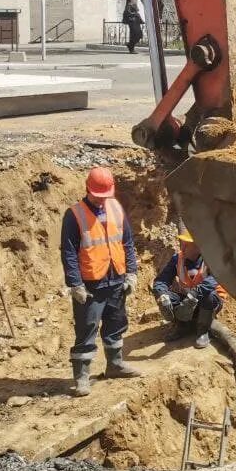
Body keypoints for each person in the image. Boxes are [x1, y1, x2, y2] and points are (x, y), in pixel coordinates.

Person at [60, 166, 140, 396]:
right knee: (87, 329)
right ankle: (82, 376)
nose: (103, 200)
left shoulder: (115, 207)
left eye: (106, 196)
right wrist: (75, 284)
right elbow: (68, 252)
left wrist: (131, 272)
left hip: (116, 278)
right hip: (91, 284)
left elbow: (127, 243)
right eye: (99, 196)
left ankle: (115, 365)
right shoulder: (74, 215)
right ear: (88, 190)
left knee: (116, 324)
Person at [151, 231, 225, 349]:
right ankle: (182, 326)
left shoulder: (212, 260)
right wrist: (162, 294)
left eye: (187, 244)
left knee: (210, 296)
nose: (183, 247)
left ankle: (202, 331)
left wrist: (194, 294)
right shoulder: (177, 259)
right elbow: (161, 280)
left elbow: (213, 281)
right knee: (169, 297)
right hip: (188, 301)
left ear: (198, 246)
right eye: (182, 243)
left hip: (209, 302)